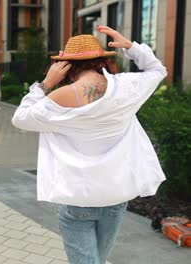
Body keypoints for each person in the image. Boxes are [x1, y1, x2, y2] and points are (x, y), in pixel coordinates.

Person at [12, 26, 167, 264]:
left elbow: (20, 118)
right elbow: (157, 70)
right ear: (101, 60)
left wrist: (45, 83)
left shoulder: (60, 97)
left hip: (79, 197)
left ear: (67, 66)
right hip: (116, 195)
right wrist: (131, 46)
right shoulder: (127, 87)